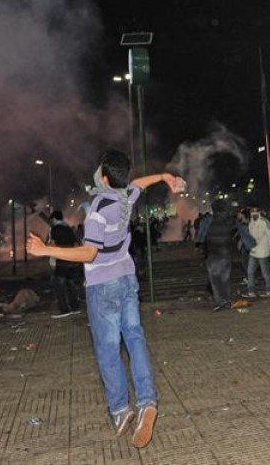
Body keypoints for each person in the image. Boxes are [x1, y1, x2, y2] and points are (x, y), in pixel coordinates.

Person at [26, 149, 185, 449]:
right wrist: (165, 176)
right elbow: (141, 183)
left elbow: (89, 253)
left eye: (100, 170)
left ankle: (120, 410)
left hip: (103, 285)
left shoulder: (99, 208)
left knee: (108, 349)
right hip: (127, 279)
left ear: (106, 177)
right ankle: (147, 401)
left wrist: (45, 251)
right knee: (135, 339)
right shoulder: (126, 196)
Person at [47, 210, 83, 318]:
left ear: (54, 219)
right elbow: (76, 244)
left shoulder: (54, 229)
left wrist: (52, 259)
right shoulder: (68, 228)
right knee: (70, 283)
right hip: (70, 260)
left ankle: (64, 309)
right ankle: (75, 307)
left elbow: (53, 245)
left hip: (61, 260)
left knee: (58, 284)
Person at [204, 200, 236, 311]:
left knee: (215, 279)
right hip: (226, 253)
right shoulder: (228, 221)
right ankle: (227, 300)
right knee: (225, 279)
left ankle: (219, 301)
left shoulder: (209, 221)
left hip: (214, 253)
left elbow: (204, 236)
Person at [247, 206, 270, 296]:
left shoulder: (264, 222)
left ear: (259, 212)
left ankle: (269, 290)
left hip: (263, 250)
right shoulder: (251, 223)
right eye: (252, 211)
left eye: (256, 211)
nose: (254, 213)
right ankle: (251, 291)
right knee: (250, 271)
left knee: (265, 272)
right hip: (253, 250)